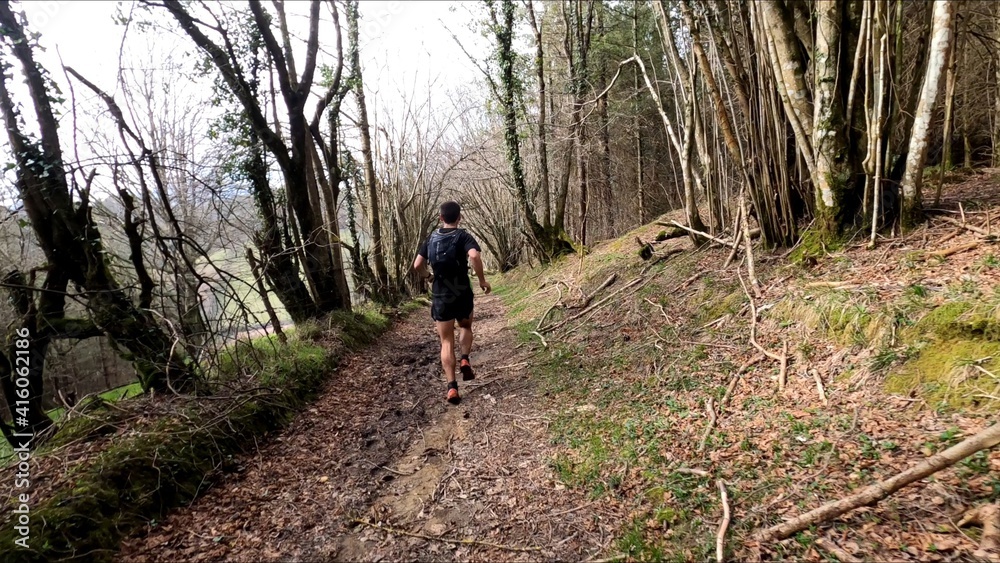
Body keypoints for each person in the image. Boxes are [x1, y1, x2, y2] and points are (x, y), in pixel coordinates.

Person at [413, 201, 492, 404]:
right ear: (459, 217)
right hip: (462, 291)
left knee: (446, 340)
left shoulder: (430, 239)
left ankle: (452, 388)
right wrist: (481, 279)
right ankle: (465, 358)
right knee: (465, 325)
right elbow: (474, 255)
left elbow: (417, 264)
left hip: (441, 294)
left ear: (441, 218)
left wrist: (428, 277)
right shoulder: (463, 236)